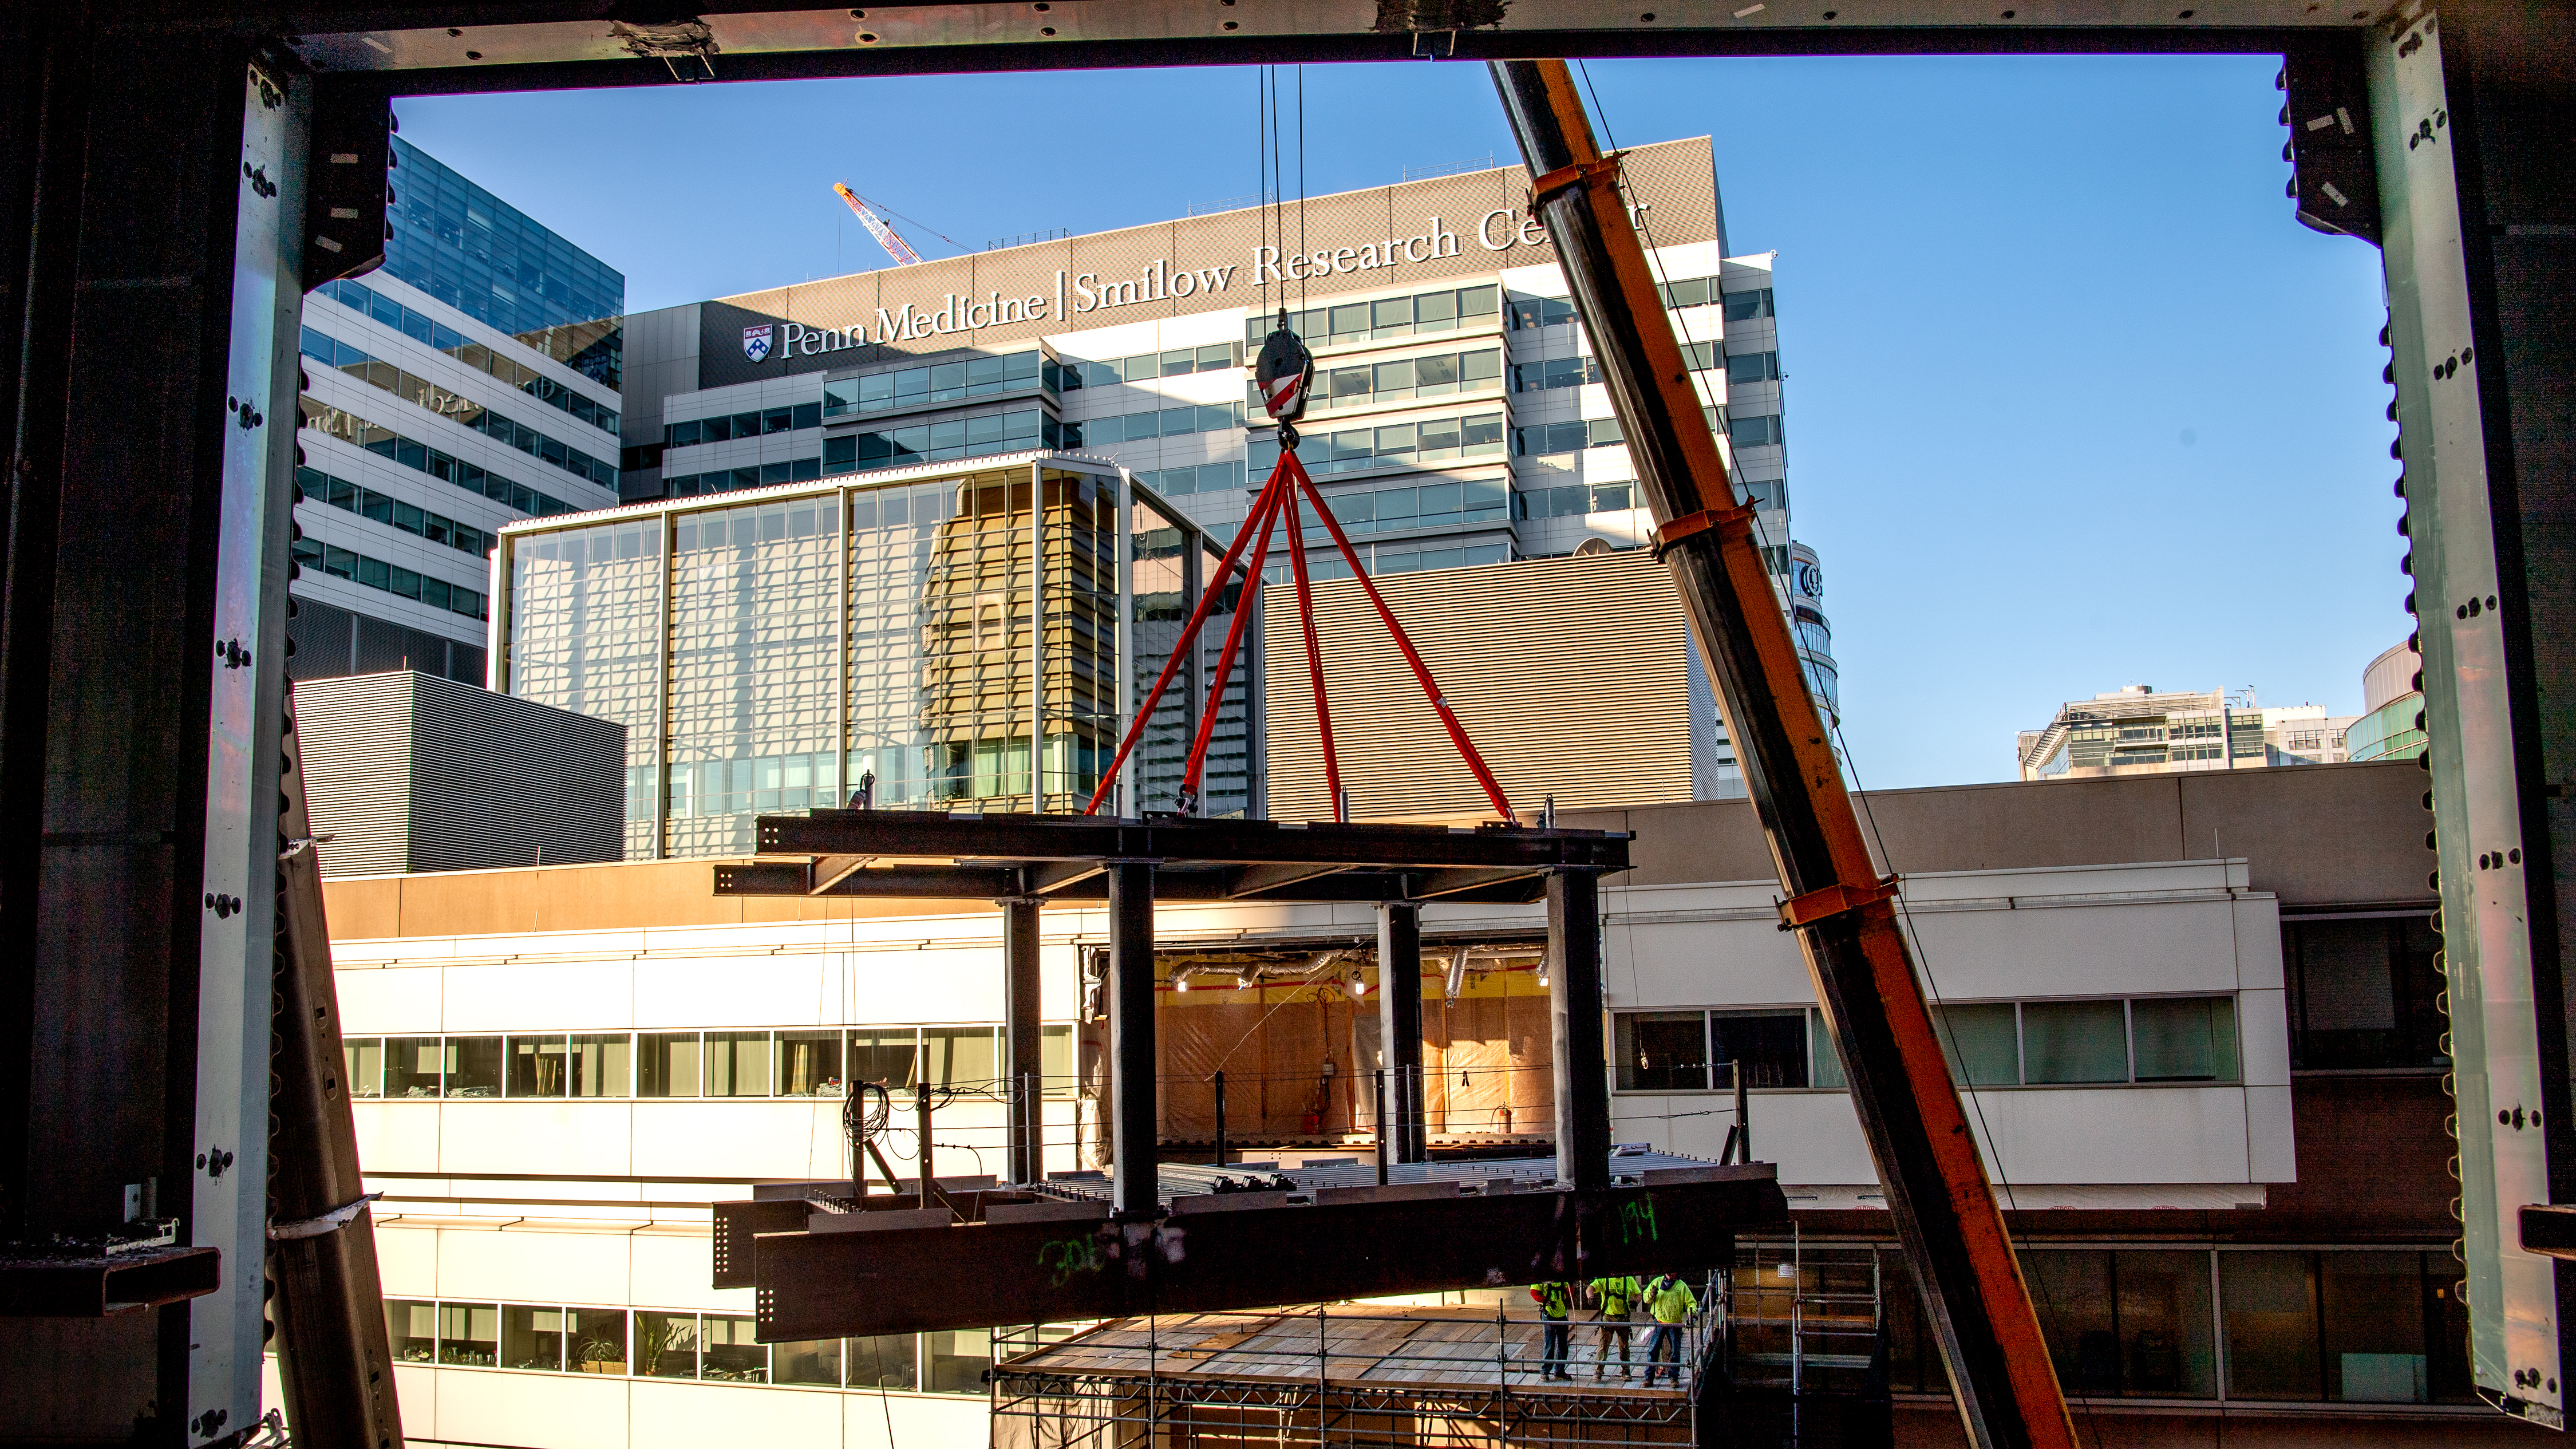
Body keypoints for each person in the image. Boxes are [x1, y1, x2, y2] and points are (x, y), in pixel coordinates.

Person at [1641, 1272, 1699, 1388]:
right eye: (1669, 1274)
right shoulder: (1657, 1282)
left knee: (1675, 1352)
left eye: (1673, 1274)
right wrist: (1651, 1294)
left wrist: (1692, 1314)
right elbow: (1646, 1298)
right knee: (1653, 1350)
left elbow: (1691, 1302)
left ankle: (1674, 1378)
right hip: (1659, 1322)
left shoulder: (1681, 1286)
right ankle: (1649, 1378)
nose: (1671, 1277)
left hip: (1675, 1324)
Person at [1587, 1273, 1641, 1380]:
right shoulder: (1605, 1279)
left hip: (1623, 1318)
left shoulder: (1628, 1279)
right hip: (1608, 1317)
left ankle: (1626, 1371)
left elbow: (1639, 1294)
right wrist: (1591, 1296)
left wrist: (1636, 1301)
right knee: (1603, 1344)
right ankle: (1599, 1370)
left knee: (1624, 1346)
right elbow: (1590, 1288)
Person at [1530, 1280, 1575, 1381]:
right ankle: (1545, 1371)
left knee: (1563, 1344)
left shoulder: (1563, 1279)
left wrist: (1571, 1284)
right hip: (1549, 1314)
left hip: (1562, 1314)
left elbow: (1570, 1294)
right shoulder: (1542, 1277)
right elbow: (1534, 1292)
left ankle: (1559, 1371)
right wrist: (1544, 1301)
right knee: (1550, 1343)